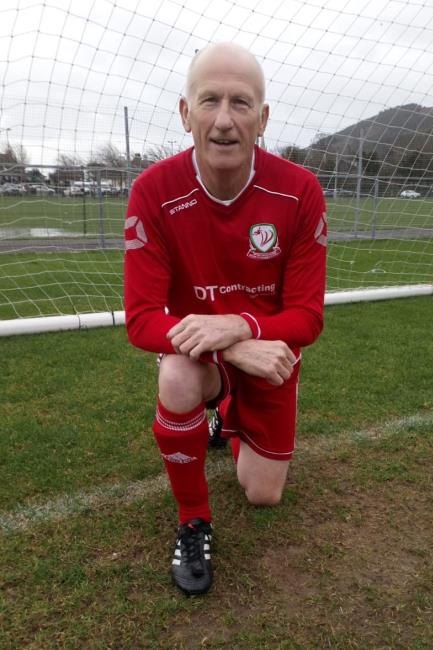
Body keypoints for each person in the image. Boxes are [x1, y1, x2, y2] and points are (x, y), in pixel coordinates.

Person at [124, 42, 327, 596]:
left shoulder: (300, 191)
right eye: (209, 100)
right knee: (177, 375)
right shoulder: (153, 192)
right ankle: (194, 519)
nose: (223, 120)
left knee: (263, 494)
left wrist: (241, 326)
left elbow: (308, 316)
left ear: (262, 119)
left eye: (241, 103)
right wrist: (228, 346)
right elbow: (141, 318)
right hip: (211, 355)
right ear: (185, 112)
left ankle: (227, 416)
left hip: (271, 355)